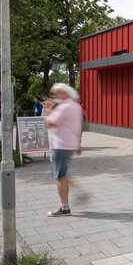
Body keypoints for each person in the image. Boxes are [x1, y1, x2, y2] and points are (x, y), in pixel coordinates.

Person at [44, 83, 84, 217]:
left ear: (64, 93)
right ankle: (80, 192)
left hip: (60, 145)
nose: (54, 96)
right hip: (70, 144)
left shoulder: (63, 107)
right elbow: (78, 126)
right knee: (63, 173)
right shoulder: (75, 106)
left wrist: (48, 110)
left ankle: (65, 208)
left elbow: (49, 123)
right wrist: (78, 144)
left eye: (55, 93)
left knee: (60, 177)